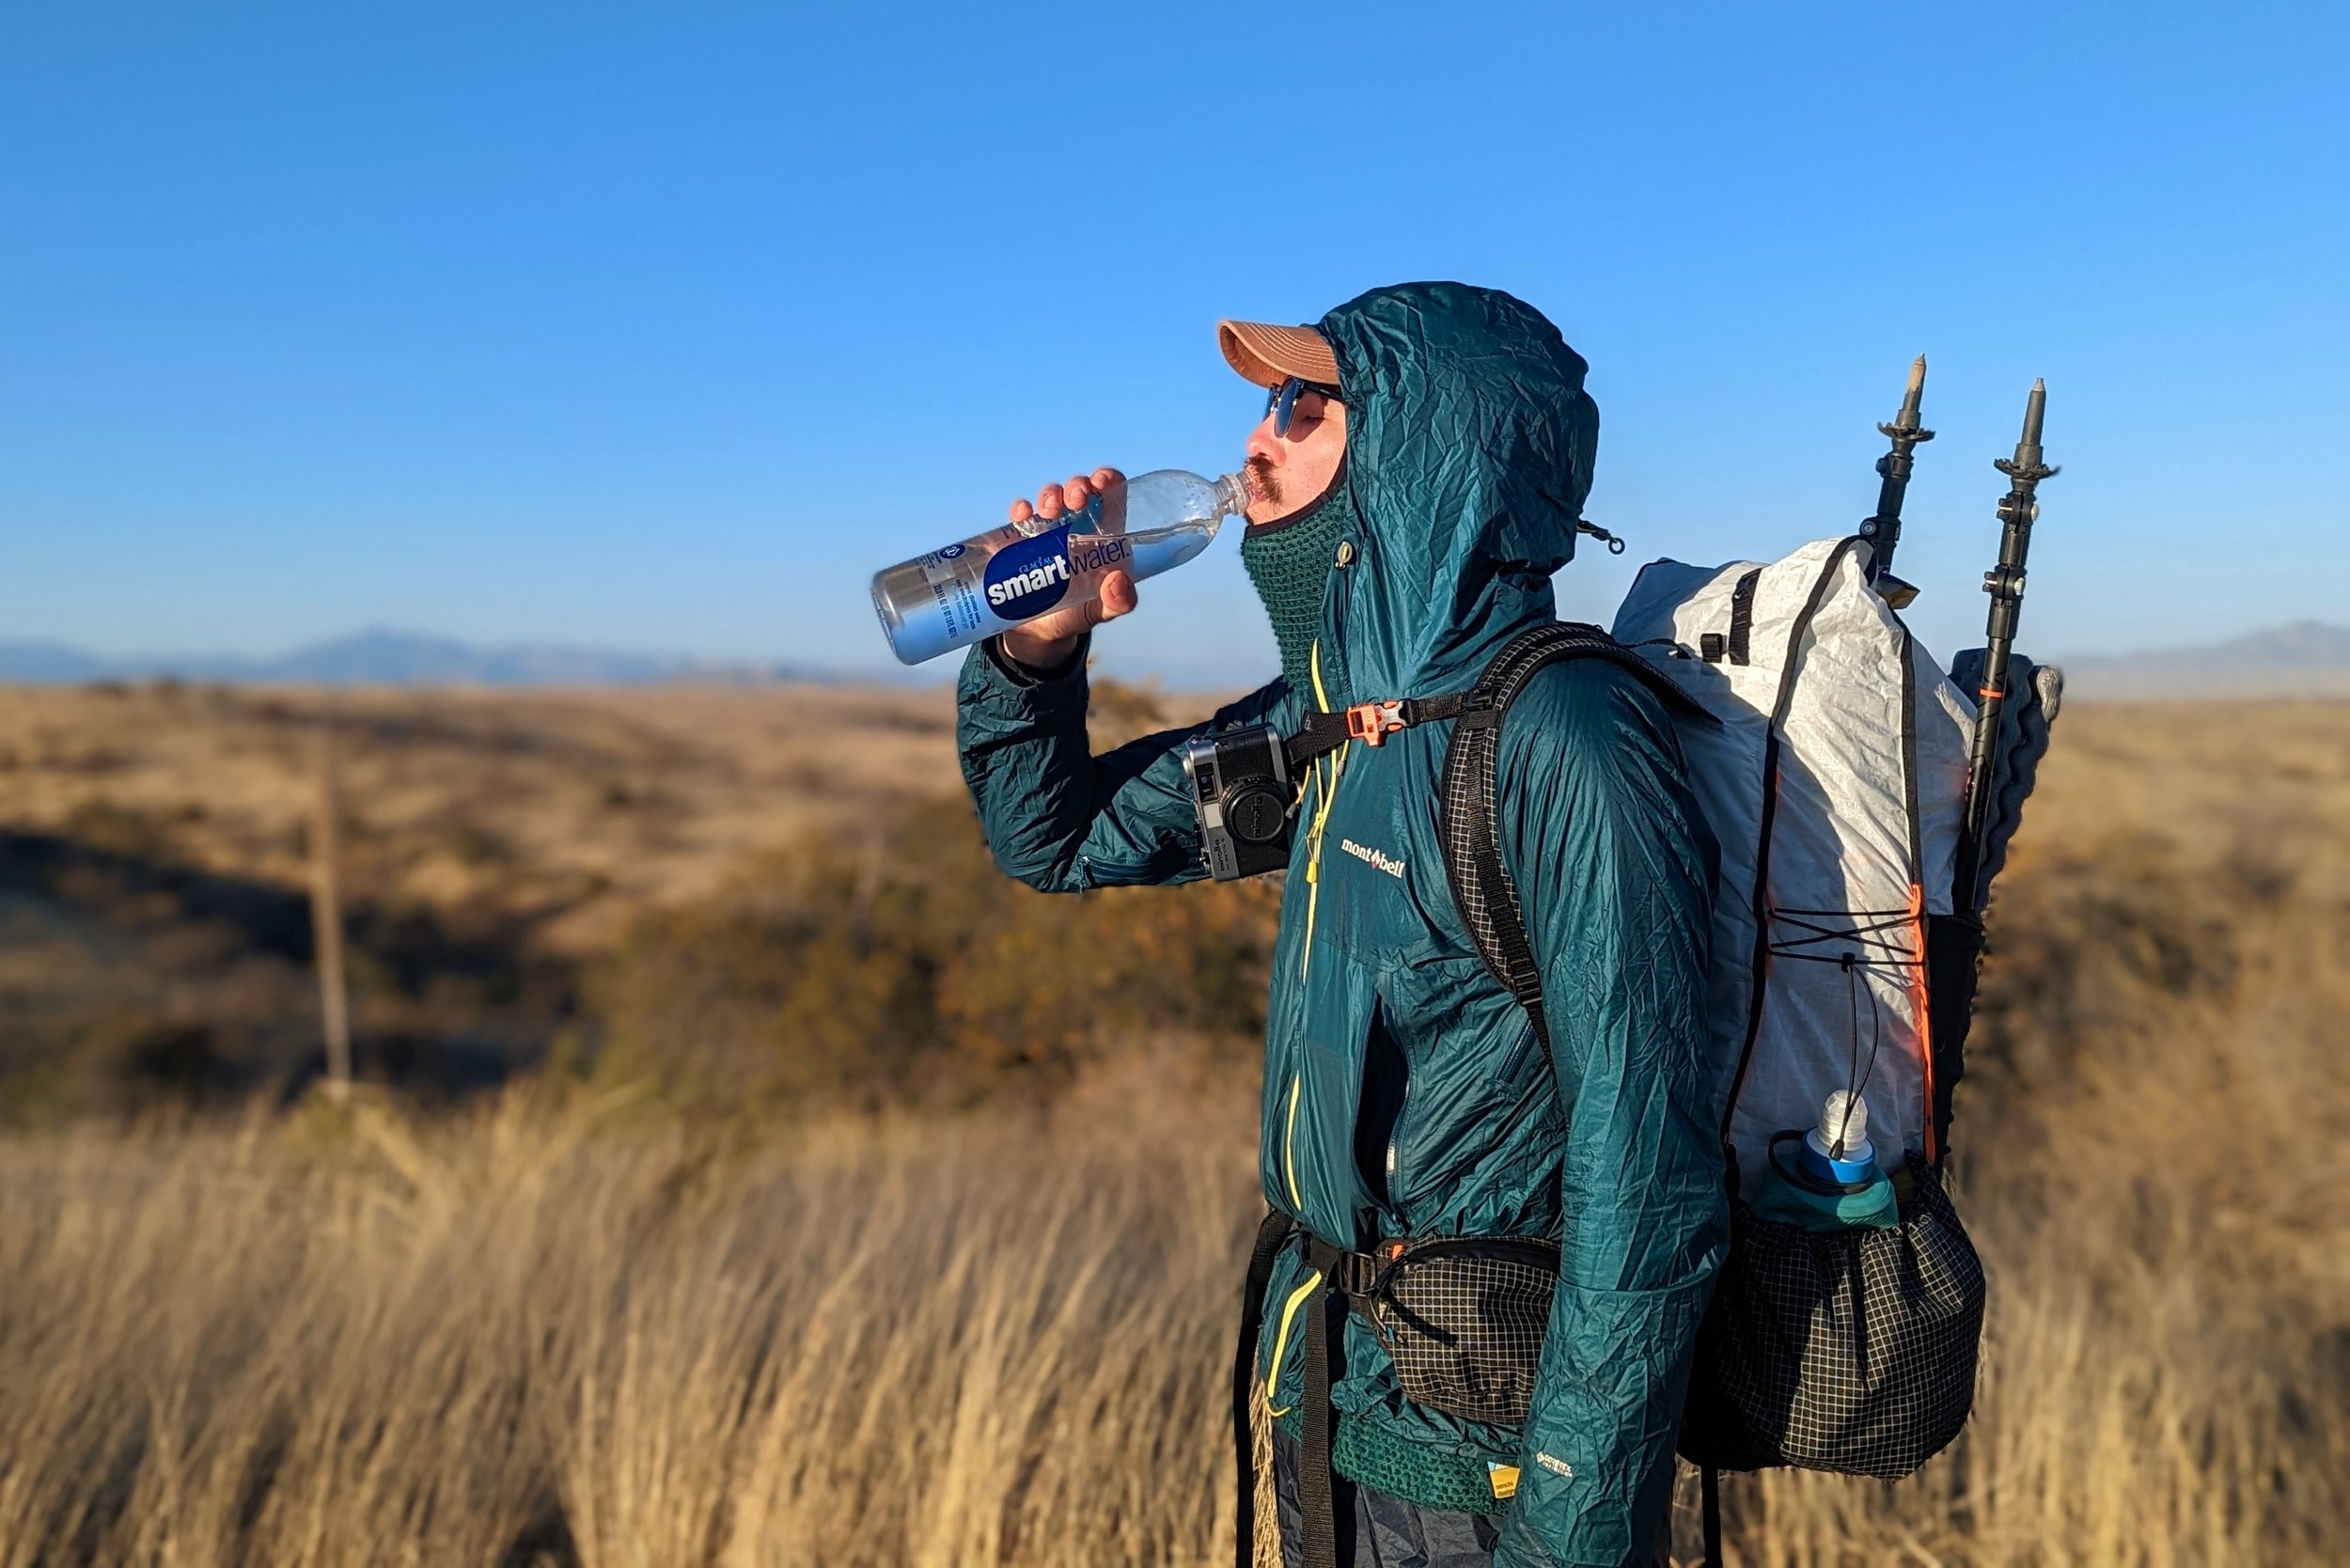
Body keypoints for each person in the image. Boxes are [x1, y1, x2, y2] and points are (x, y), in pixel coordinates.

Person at [954, 282, 1724, 1567]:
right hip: (1325, 1407)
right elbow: (1057, 841)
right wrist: (1036, 648)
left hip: (1488, 1478)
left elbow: (1648, 1178)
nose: (1257, 437)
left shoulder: (1566, 739)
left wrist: (1571, 1535)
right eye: (1265, 401)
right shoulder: (1330, 726)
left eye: (1305, 404)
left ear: (1428, 445)